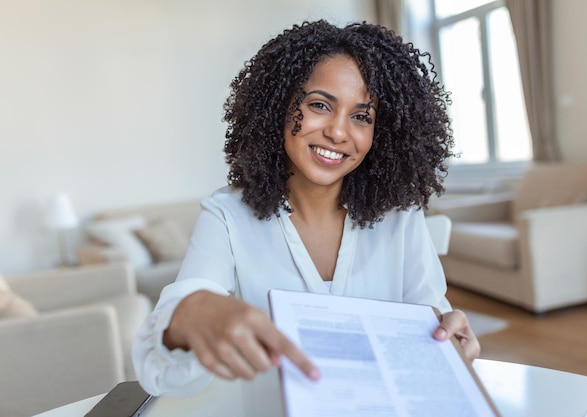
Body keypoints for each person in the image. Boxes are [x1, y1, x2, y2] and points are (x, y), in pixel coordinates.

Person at [132, 19, 480, 399]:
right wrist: (189, 315)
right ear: (279, 108)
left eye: (362, 116)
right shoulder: (227, 215)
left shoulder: (401, 216)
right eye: (319, 105)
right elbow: (162, 373)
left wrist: (449, 339)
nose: (338, 132)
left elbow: (429, 323)